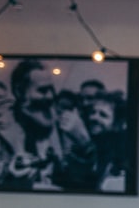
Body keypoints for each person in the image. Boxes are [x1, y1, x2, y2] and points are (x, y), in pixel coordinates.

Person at [8, 59, 98, 189]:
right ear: (19, 92)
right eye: (43, 90)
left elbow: (83, 183)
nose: (50, 96)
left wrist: (84, 143)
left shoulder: (63, 128)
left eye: (52, 89)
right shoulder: (3, 129)